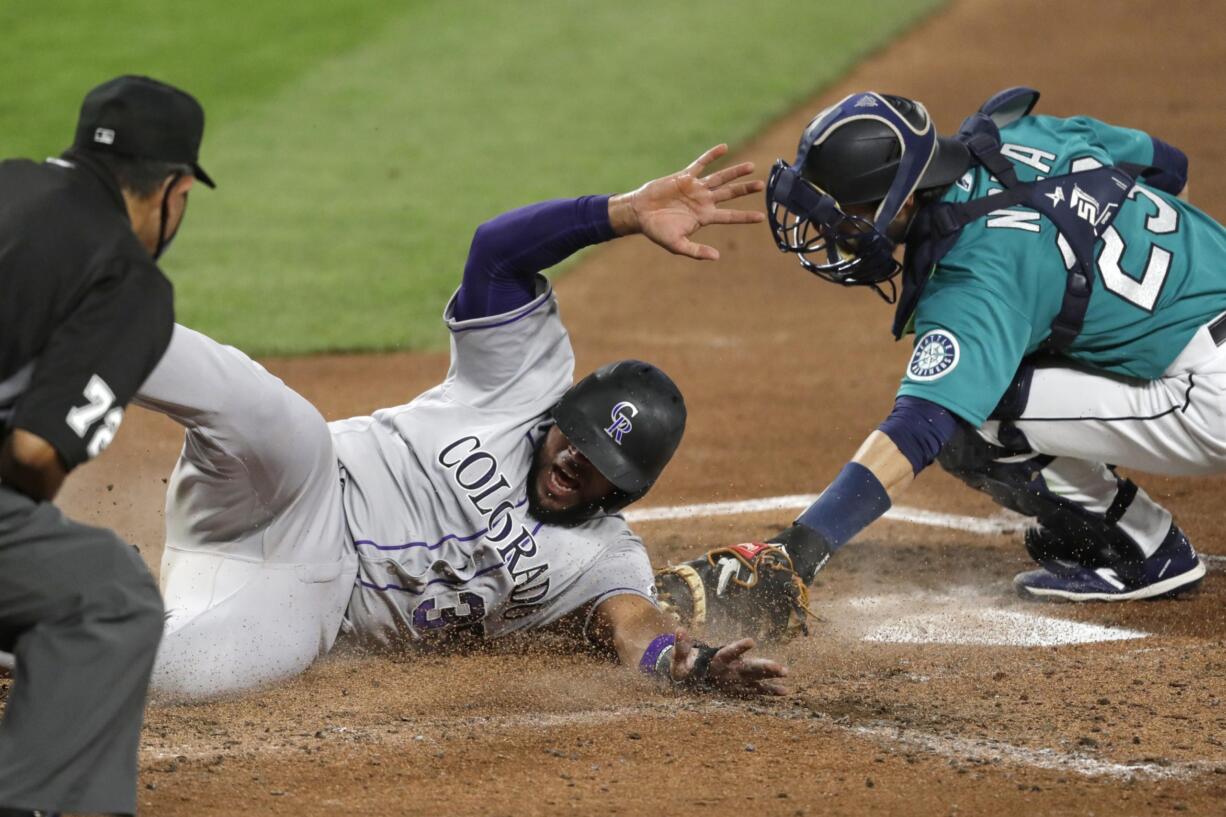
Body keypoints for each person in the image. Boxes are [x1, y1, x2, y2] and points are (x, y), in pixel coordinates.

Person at [139, 144, 788, 700]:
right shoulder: (523, 380)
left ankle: (55, 648)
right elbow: (496, 253)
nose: (572, 460)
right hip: (293, 484)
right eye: (575, 438)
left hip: (306, 595)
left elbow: (632, 623)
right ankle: (82, 323)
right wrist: (620, 212)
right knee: (268, 413)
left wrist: (682, 661)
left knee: (194, 668)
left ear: (623, 492)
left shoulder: (602, 559)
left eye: (598, 467)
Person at [759, 88, 1219, 602]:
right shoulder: (1031, 134)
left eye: (848, 211)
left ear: (905, 197)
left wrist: (800, 548)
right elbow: (1168, 168)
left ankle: (1143, 551)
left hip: (1211, 396)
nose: (832, 226)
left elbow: (920, 427)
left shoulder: (976, 278)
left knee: (976, 413)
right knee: (1030, 340)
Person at [0, 76, 213, 816]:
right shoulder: (129, 276)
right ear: (173, 189)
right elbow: (33, 455)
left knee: (77, 565)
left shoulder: (7, 182)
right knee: (114, 595)